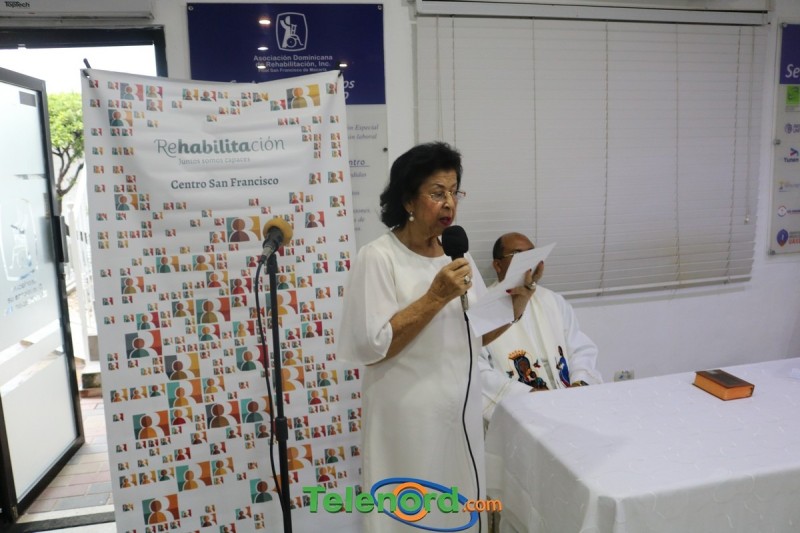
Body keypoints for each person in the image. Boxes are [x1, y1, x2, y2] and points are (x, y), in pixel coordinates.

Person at [338, 142, 535, 532]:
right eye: (437, 192)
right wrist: (434, 297)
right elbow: (371, 347)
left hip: (459, 419)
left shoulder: (455, 253)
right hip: (407, 424)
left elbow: (473, 333)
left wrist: (516, 307)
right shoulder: (378, 257)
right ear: (409, 200)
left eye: (454, 192)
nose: (449, 203)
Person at [480, 232, 603, 423]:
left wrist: (579, 382)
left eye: (532, 253)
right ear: (498, 265)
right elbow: (478, 370)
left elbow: (580, 349)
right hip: (521, 409)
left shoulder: (552, 301)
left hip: (567, 400)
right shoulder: (483, 309)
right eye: (518, 254)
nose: (528, 260)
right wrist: (527, 394)